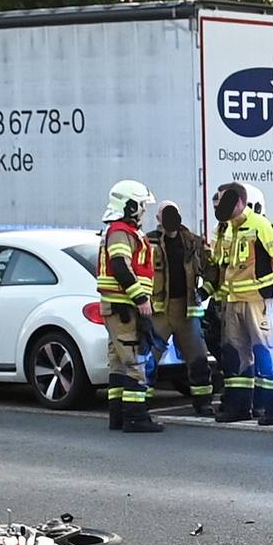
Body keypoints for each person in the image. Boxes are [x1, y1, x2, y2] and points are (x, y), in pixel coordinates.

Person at [206, 180, 273, 425]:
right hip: (234, 301)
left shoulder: (260, 225)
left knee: (267, 353)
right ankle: (239, 407)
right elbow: (223, 265)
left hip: (257, 302)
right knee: (234, 355)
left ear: (239, 201)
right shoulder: (227, 229)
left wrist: (270, 291)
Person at [95, 180, 164, 434]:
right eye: (141, 206)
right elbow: (120, 266)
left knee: (118, 363)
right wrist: (141, 299)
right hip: (124, 307)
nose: (143, 211)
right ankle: (136, 418)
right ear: (130, 205)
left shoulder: (120, 231)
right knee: (135, 361)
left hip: (117, 307)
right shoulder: (121, 231)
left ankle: (118, 416)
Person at [146, 202, 217, 416]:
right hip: (159, 311)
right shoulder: (148, 242)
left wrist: (204, 292)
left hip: (187, 311)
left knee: (198, 359)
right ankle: (140, 405)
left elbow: (212, 269)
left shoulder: (193, 242)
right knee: (148, 359)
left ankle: (203, 403)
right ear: (158, 219)